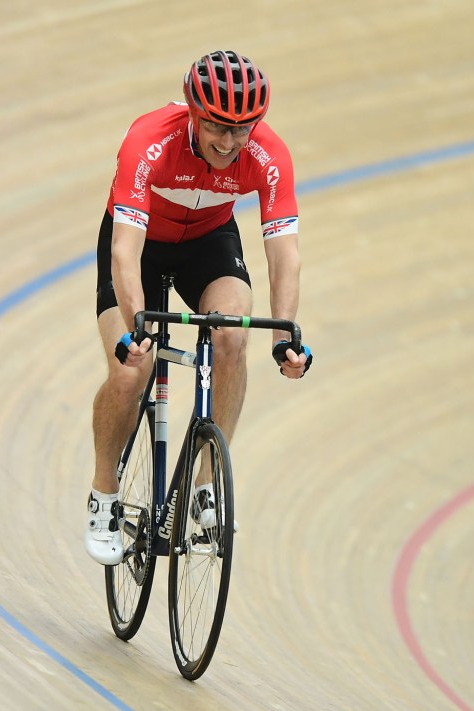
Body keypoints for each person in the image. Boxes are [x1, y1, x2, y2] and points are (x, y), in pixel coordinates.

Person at [86, 50, 313, 565]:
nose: (230, 144)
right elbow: (124, 249)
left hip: (208, 239)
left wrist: (285, 339)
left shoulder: (269, 154)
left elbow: (285, 254)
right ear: (192, 110)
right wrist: (134, 327)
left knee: (233, 335)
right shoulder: (150, 139)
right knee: (130, 370)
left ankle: (207, 480)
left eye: (243, 130)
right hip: (140, 245)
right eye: (217, 127)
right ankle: (104, 493)